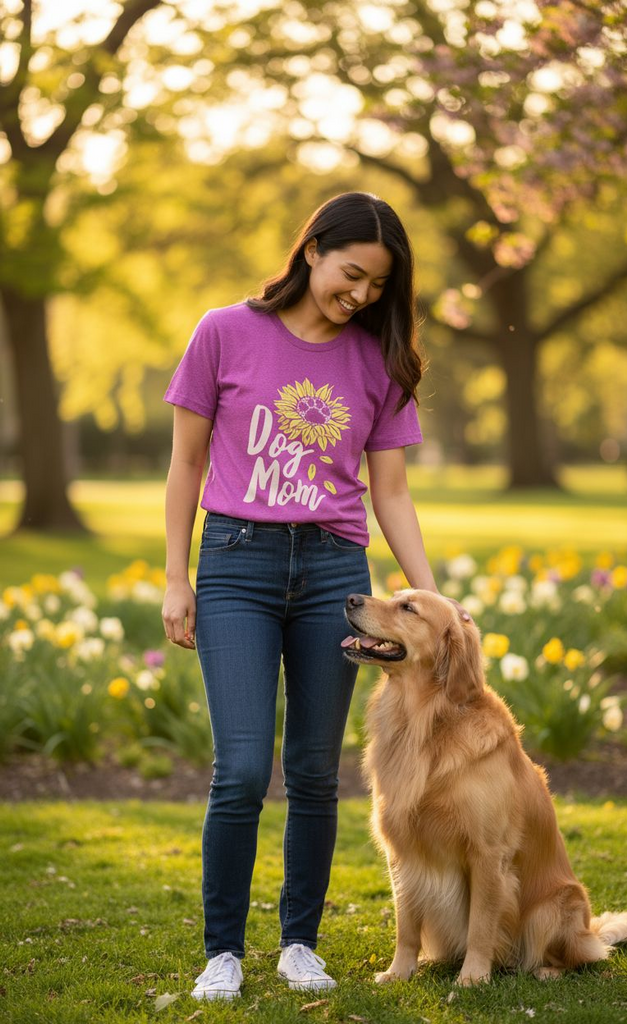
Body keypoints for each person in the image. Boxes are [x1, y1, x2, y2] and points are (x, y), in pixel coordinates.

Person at [161, 190, 468, 1001]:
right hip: (236, 563)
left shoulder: (377, 359)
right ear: (312, 251)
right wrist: (174, 575)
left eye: (378, 286)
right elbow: (186, 465)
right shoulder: (223, 331)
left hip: (335, 570)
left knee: (312, 770)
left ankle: (299, 941)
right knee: (240, 769)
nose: (362, 295)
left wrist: (431, 599)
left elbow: (390, 493)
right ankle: (221, 949)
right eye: (353, 274)